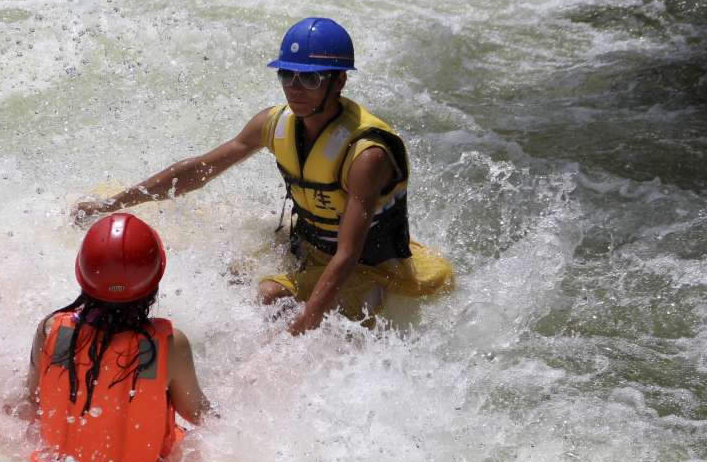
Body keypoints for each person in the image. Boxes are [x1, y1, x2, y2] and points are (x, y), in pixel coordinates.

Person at [75, 18, 453, 334]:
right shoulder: (275, 123)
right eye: (287, 74)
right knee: (226, 273)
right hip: (308, 248)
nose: (294, 88)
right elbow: (199, 170)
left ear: (339, 82)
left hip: (371, 270)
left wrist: (302, 329)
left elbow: (349, 254)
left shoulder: (366, 153)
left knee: (267, 298)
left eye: (310, 79)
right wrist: (111, 204)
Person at [25, 213, 210, 462]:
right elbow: (198, 413)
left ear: (83, 277)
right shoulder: (168, 346)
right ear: (153, 283)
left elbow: (31, 400)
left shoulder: (52, 332)